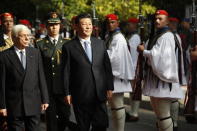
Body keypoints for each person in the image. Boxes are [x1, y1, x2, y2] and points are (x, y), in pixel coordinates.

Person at [62, 13, 114, 131]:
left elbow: (107, 66)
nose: (88, 27)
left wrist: (110, 87)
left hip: (99, 93)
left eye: (89, 24)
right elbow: (66, 71)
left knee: (101, 124)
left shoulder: (100, 43)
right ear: (76, 26)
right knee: (83, 126)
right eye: (84, 24)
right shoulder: (69, 47)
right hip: (80, 93)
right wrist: (67, 92)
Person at [137, 10, 184, 131]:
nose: (157, 20)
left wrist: (144, 51)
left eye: (160, 18)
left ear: (167, 21)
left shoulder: (166, 36)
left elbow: (161, 57)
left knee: (163, 116)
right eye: (156, 18)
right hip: (155, 79)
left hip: (163, 81)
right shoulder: (158, 35)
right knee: (159, 116)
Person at [0, 24, 49, 131]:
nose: (28, 38)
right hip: (14, 105)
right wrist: (2, 106)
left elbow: (41, 76)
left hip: (33, 103)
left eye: (29, 35)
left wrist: (45, 98)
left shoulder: (35, 53)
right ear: (14, 38)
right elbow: (1, 83)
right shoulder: (4, 56)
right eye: (23, 36)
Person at [35, 12, 75, 131]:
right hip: (48, 88)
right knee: (51, 120)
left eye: (56, 24)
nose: (54, 27)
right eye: (51, 25)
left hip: (64, 87)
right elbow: (38, 67)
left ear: (60, 26)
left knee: (65, 117)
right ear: (46, 26)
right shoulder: (39, 44)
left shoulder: (68, 42)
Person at [105, 14, 135, 131]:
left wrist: (100, 53)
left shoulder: (118, 38)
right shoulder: (111, 36)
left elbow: (115, 57)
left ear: (117, 23)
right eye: (108, 23)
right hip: (112, 75)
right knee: (114, 107)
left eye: (112, 22)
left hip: (117, 76)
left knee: (117, 105)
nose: (110, 25)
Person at [126, 18, 141, 122]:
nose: (128, 26)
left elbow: (133, 54)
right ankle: (133, 112)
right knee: (132, 91)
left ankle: (134, 113)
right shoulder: (131, 36)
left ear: (135, 25)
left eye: (130, 24)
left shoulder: (135, 37)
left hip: (134, 67)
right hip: (132, 67)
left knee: (135, 91)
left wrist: (134, 70)